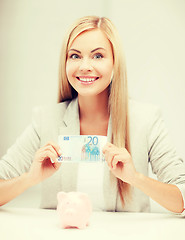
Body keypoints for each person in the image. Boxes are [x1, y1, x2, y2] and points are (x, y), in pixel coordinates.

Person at [0, 16, 185, 213]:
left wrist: (134, 177)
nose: (84, 66)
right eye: (75, 56)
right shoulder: (45, 119)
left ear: (115, 62)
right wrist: (30, 178)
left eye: (98, 56)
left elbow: (181, 198)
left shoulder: (147, 120)